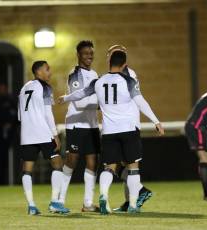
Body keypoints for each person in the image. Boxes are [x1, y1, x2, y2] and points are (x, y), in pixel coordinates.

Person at [58, 51, 164, 214]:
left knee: (109, 167)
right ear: (124, 65)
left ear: (110, 63)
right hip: (128, 129)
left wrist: (66, 98)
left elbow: (81, 93)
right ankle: (133, 205)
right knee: (133, 167)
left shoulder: (99, 81)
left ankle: (103, 197)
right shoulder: (128, 80)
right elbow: (140, 102)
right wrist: (156, 121)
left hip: (109, 131)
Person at [18, 60, 70, 215]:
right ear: (38, 72)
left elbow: (20, 115)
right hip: (42, 131)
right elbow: (48, 114)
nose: (50, 72)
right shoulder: (45, 87)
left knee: (27, 169)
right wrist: (55, 135)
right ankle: (55, 202)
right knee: (58, 163)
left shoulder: (24, 88)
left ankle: (31, 205)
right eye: (47, 69)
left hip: (27, 133)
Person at [106, 44, 153, 212]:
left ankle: (137, 196)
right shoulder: (114, 76)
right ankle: (132, 198)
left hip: (127, 125)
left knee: (125, 165)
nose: (110, 57)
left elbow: (136, 99)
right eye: (109, 54)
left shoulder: (127, 74)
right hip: (120, 126)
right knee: (123, 165)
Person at [58, 40, 101, 212]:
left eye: (91, 53)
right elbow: (80, 104)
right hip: (76, 124)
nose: (89, 56)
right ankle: (59, 200)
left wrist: (98, 102)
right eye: (85, 53)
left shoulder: (96, 74)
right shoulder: (75, 74)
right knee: (72, 160)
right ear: (78, 55)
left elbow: (90, 98)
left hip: (91, 125)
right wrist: (100, 104)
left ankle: (88, 203)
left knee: (93, 162)